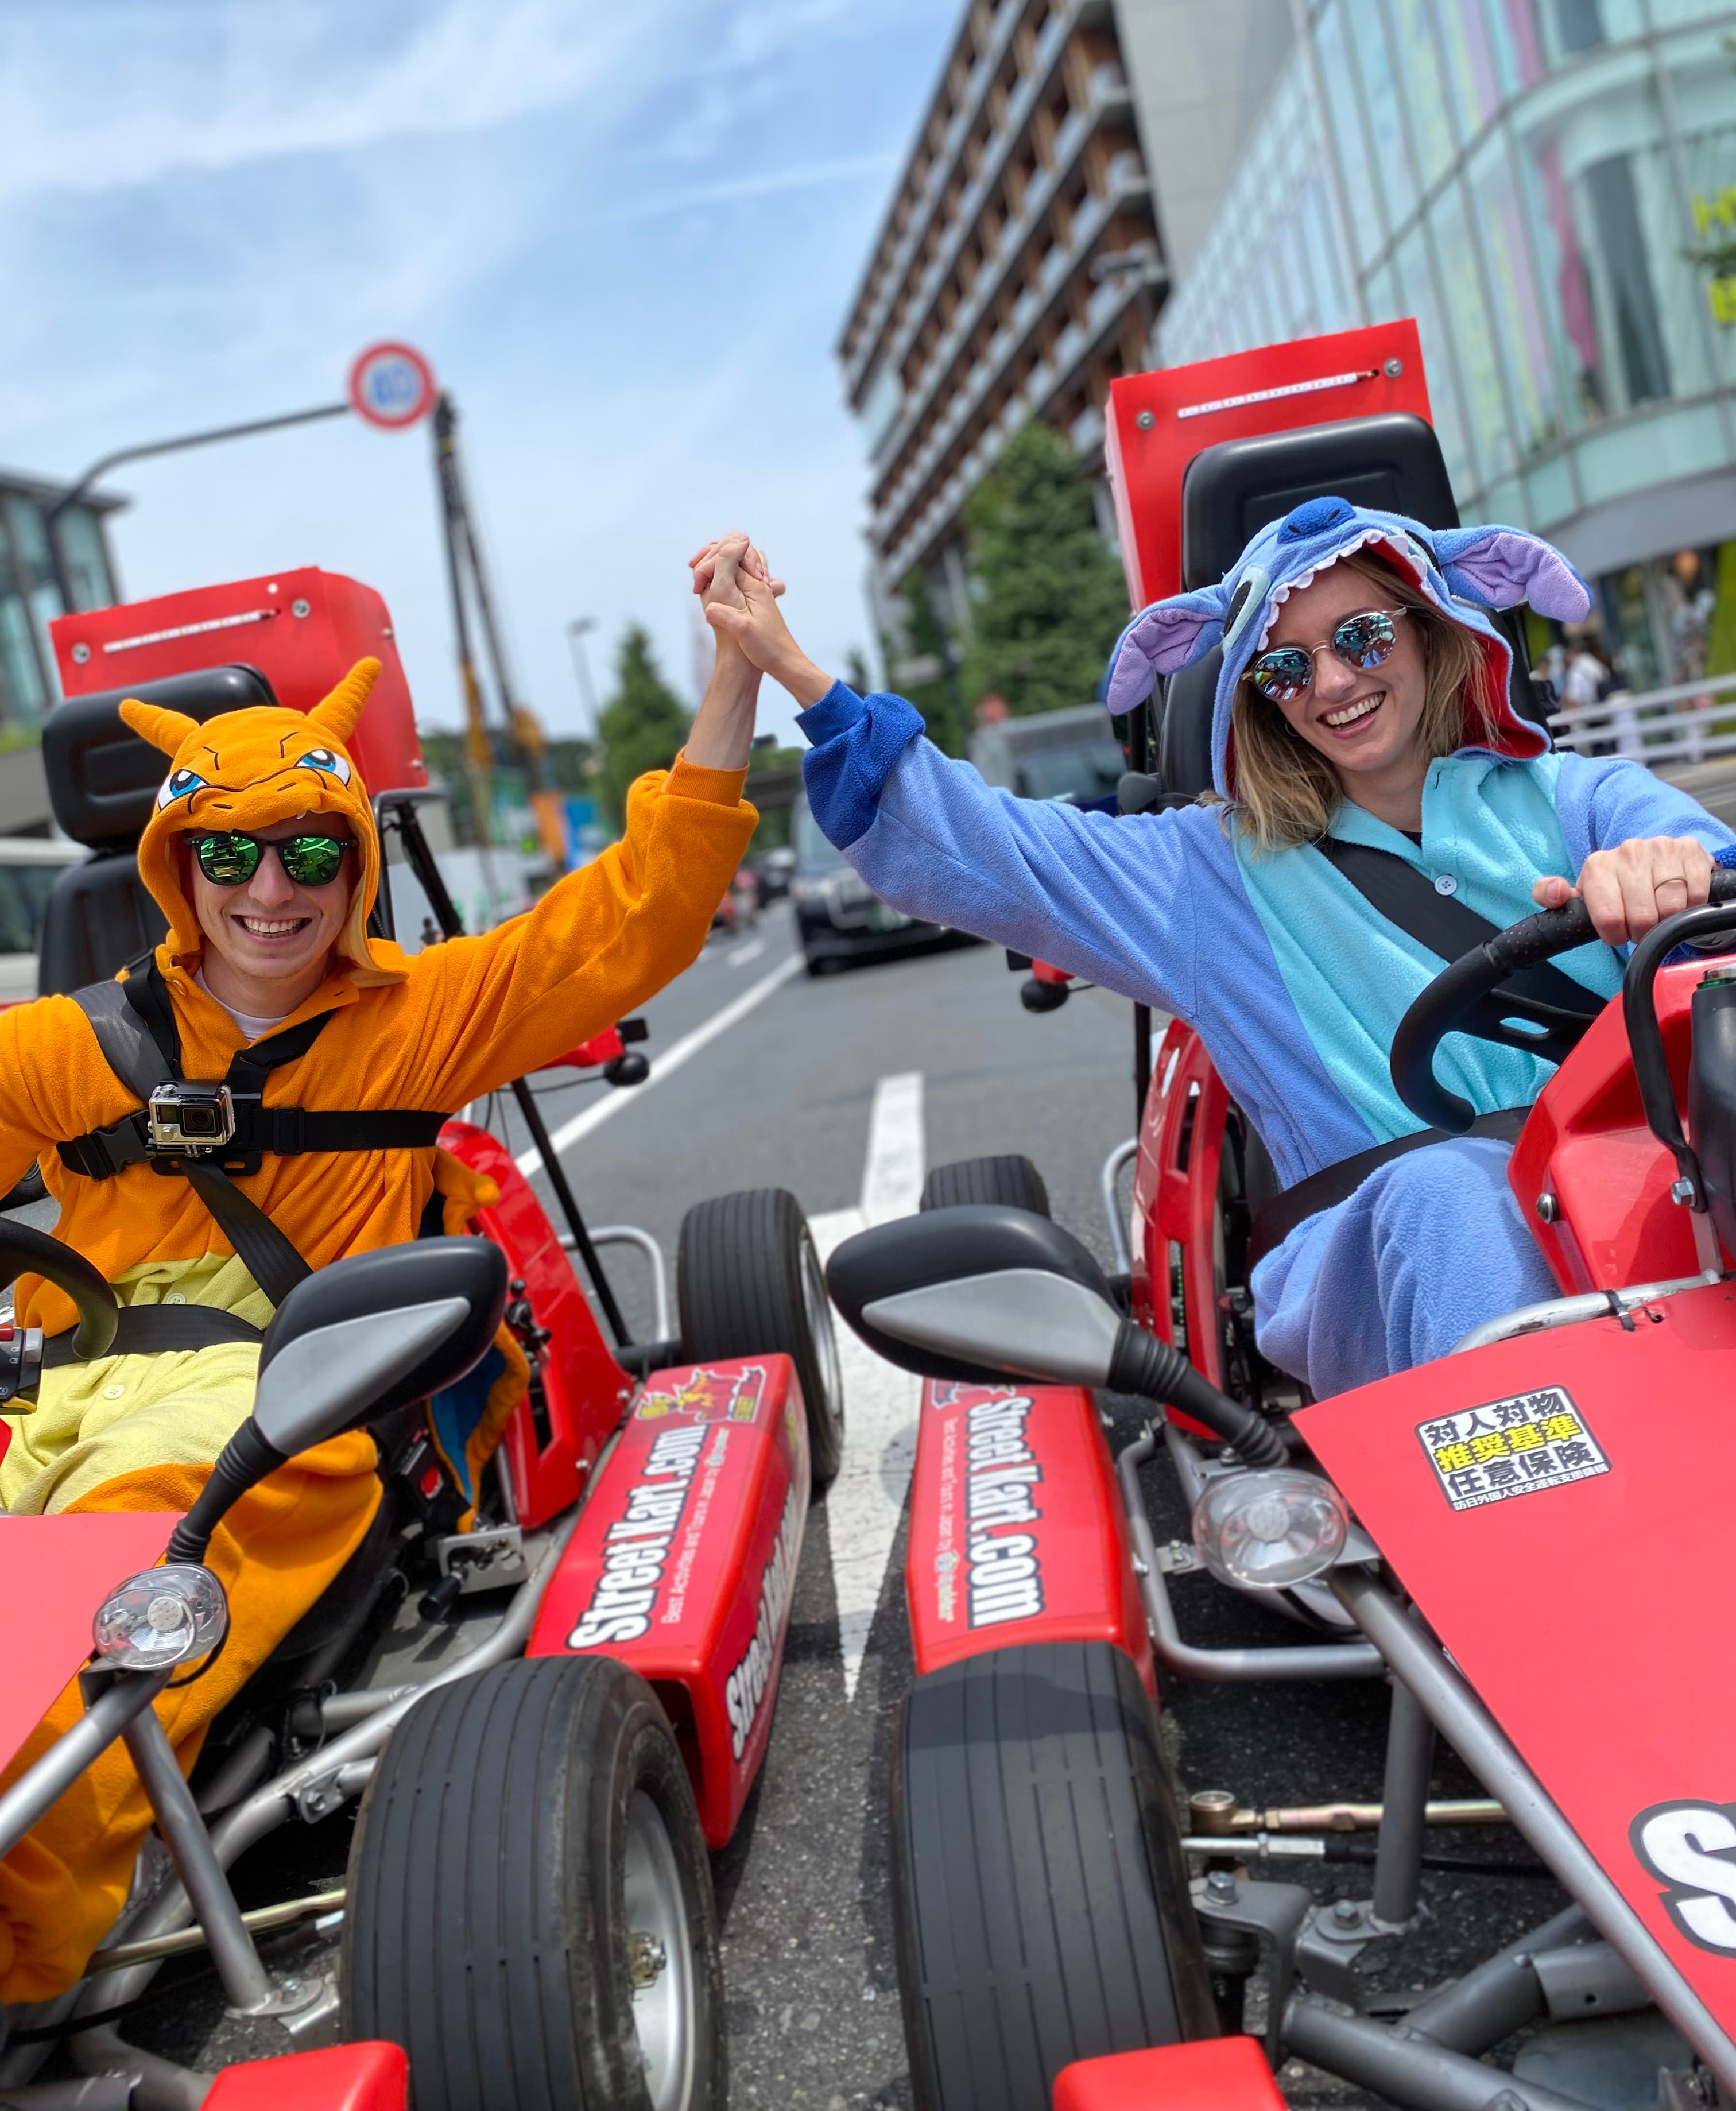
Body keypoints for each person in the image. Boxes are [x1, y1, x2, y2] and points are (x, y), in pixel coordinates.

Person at [0, 576, 768, 2005]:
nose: (270, 892)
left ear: (355, 866)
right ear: (177, 866)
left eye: (309, 851)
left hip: (277, 1394)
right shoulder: (66, 1045)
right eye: (229, 853)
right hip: (48, 1389)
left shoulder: (420, 1020)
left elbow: (638, 916)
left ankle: (31, 1933)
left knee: (80, 1630)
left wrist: (734, 676)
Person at [694, 500, 1729, 1402]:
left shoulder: (1587, 800)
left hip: (1657, 1201)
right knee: (1449, 1197)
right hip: (1396, 1248)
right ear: (1258, 692)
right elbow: (985, 851)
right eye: (1288, 665)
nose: (1333, 681)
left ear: (1429, 628)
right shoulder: (1214, 876)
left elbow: (1715, 882)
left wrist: (1667, 871)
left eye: (1363, 635)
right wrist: (798, 673)